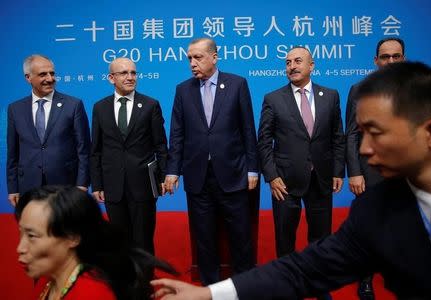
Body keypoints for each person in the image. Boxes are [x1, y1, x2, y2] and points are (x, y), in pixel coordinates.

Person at [152, 62, 431, 299]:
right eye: (362, 134)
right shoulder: (375, 212)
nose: (363, 149)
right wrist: (209, 294)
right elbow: (304, 270)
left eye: (376, 132)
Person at [164, 37, 258, 285]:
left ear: (214, 57)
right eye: (189, 58)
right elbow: (177, 133)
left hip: (233, 174)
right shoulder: (183, 90)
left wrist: (252, 170)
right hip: (197, 177)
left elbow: (248, 129)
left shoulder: (237, 84)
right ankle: (210, 288)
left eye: (198, 57)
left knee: (240, 236)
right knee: (204, 238)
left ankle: (244, 285)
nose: (192, 63)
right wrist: (172, 170)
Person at [257, 46, 344, 300]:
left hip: (321, 178)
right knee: (285, 239)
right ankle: (287, 286)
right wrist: (272, 176)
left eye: (297, 61)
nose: (292, 66)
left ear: (311, 65)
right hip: (285, 181)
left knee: (320, 238)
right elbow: (264, 141)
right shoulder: (273, 98)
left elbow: (337, 137)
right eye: (287, 62)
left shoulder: (330, 95)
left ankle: (319, 285)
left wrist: (338, 169)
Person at [16, 185, 177, 300]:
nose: (20, 248)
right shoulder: (51, 279)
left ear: (73, 237)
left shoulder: (92, 294)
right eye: (21, 233)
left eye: (32, 236)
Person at [345, 37, 406, 300]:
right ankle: (366, 280)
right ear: (376, 60)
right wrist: (355, 172)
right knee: (369, 228)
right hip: (371, 171)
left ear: (403, 58)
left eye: (396, 56)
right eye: (385, 56)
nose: (390, 61)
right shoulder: (359, 89)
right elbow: (351, 135)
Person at [90, 57, 168, 256]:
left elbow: (160, 145)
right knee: (119, 241)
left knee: (143, 240)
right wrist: (97, 184)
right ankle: (124, 283)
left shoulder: (150, 105)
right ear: (111, 78)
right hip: (112, 186)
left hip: (143, 186)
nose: (130, 77)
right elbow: (96, 149)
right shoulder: (100, 108)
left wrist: (162, 178)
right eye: (124, 73)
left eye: (133, 72)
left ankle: (145, 283)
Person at [7, 54, 90, 206]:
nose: (50, 78)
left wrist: (82, 184)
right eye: (43, 74)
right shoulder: (15, 109)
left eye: (52, 73)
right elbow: (13, 152)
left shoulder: (73, 105)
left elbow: (83, 149)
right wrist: (13, 188)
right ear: (28, 77)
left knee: (64, 228)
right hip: (28, 184)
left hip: (65, 184)